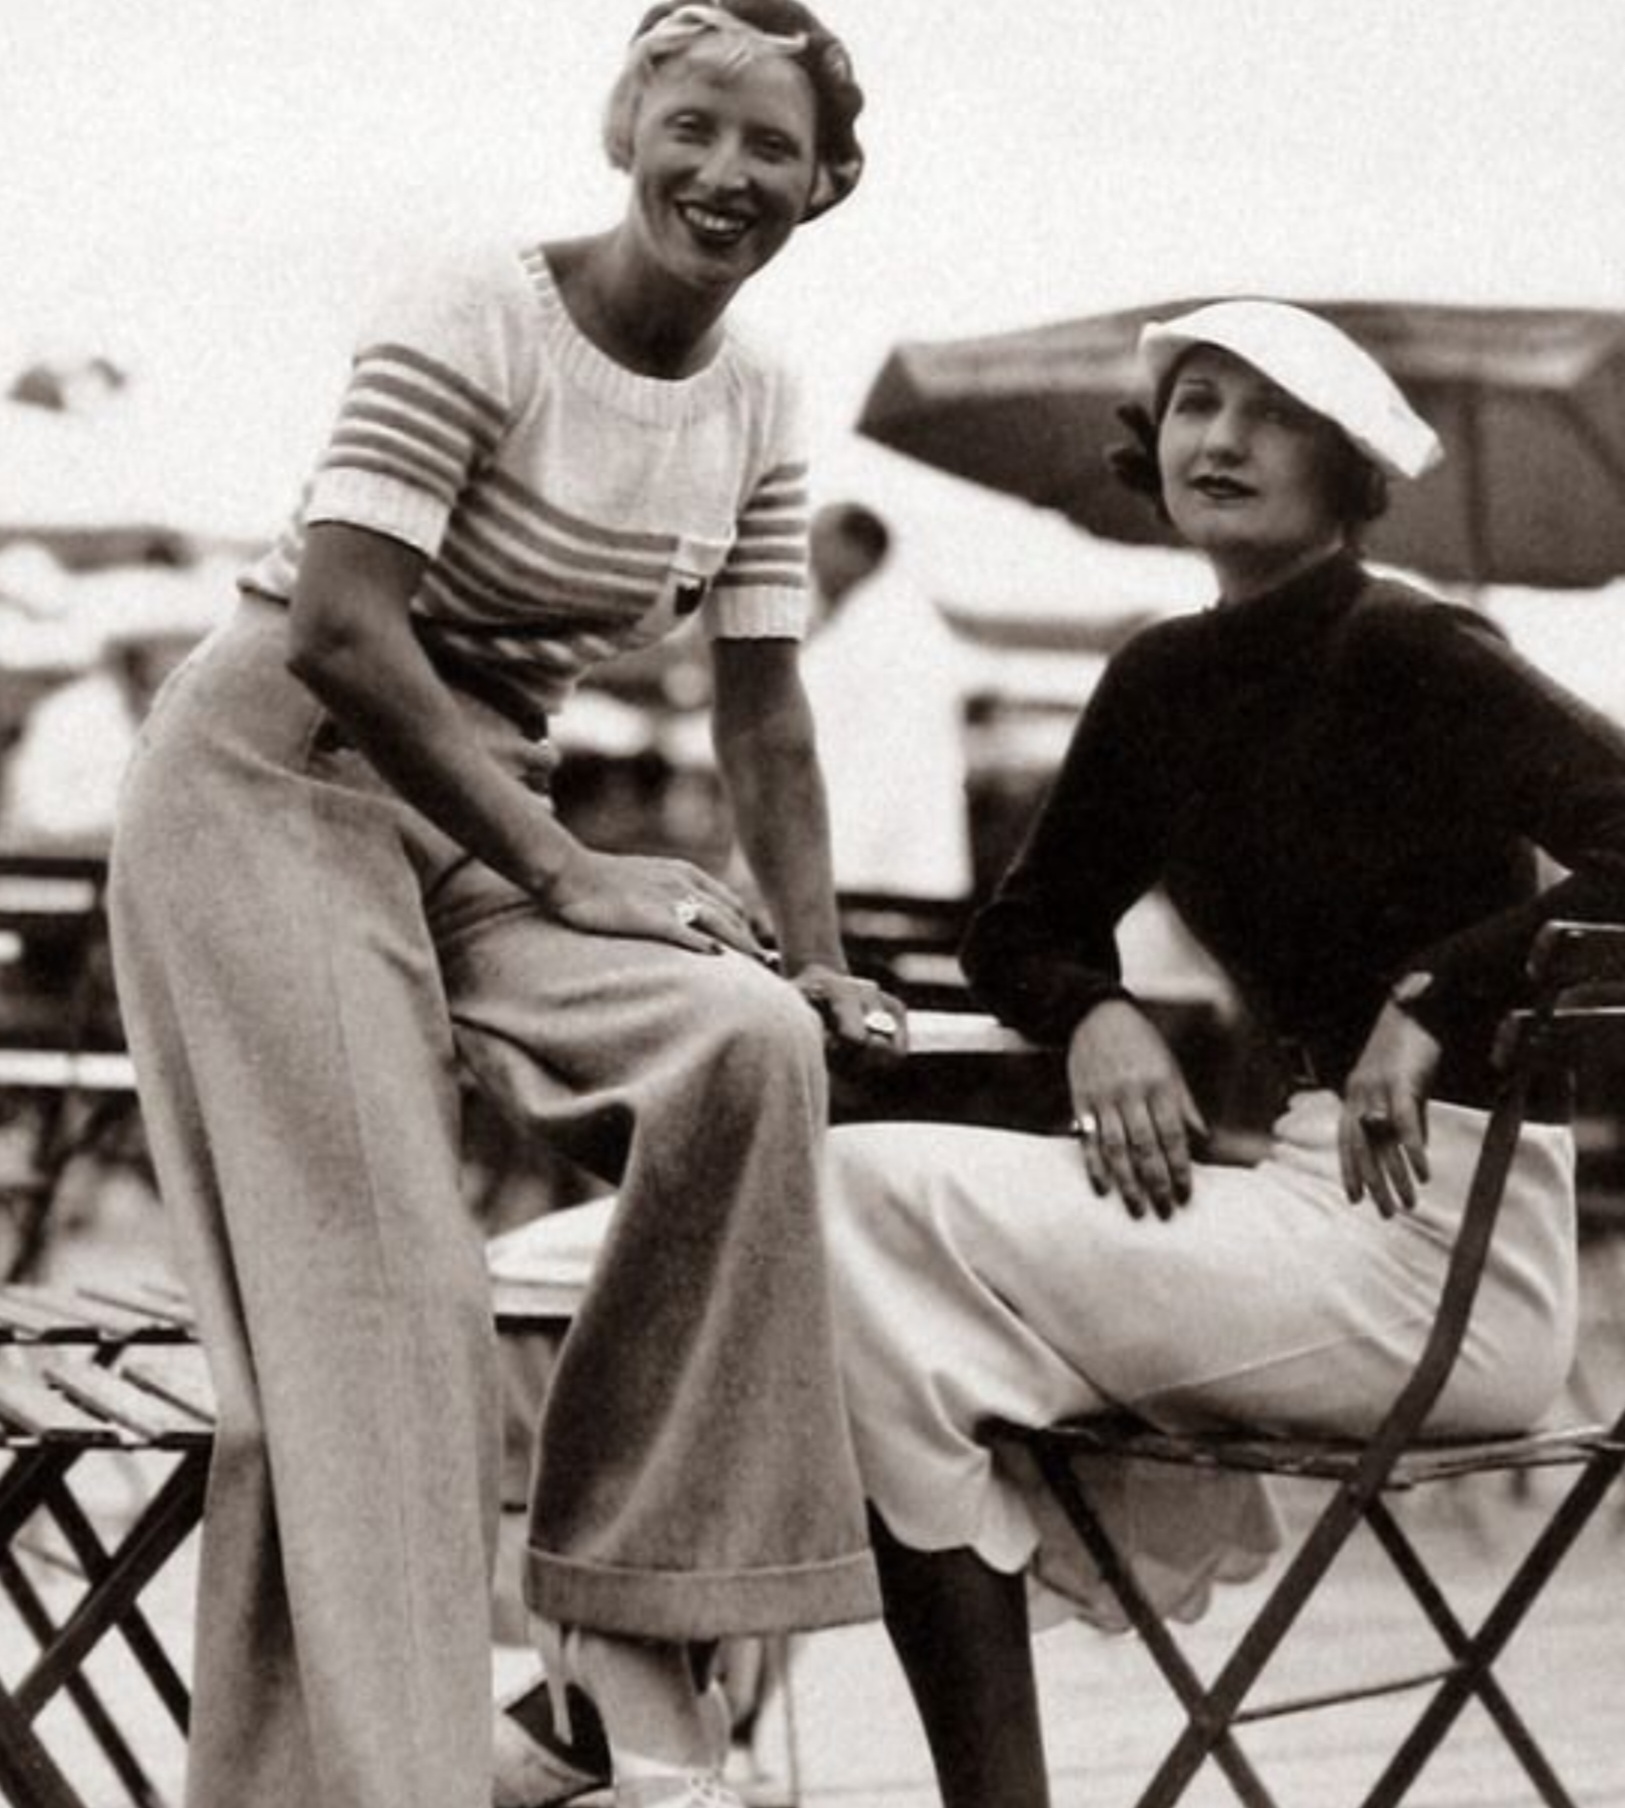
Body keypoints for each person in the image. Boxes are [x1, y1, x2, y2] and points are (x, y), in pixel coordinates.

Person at [107, 8, 902, 1808]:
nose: (724, 173)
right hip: (281, 779)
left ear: (827, 183)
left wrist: (824, 962)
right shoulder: (481, 309)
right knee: (390, 1301)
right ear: (626, 127)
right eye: (691, 125)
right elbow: (340, 626)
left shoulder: (759, 400)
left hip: (483, 806)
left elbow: (763, 713)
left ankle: (625, 1633)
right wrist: (568, 868)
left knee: (747, 1047)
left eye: (772, 148)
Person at [821, 299, 1625, 1808]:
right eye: (1195, 403)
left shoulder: (1417, 645)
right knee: (874, 1267)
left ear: (1346, 464)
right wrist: (1096, 1010)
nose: (1223, 439)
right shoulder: (1160, 680)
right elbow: (1023, 927)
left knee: (856, 1208)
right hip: (1304, 1205)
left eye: (1271, 413)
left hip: (1453, 1256)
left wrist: (1436, 993)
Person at [800, 500, 974, 898]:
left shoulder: (891, 629)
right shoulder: (865, 622)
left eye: (818, 542)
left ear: (854, 549)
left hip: (875, 865)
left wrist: (837, 862)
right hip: (871, 864)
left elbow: (878, 758)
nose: (809, 559)